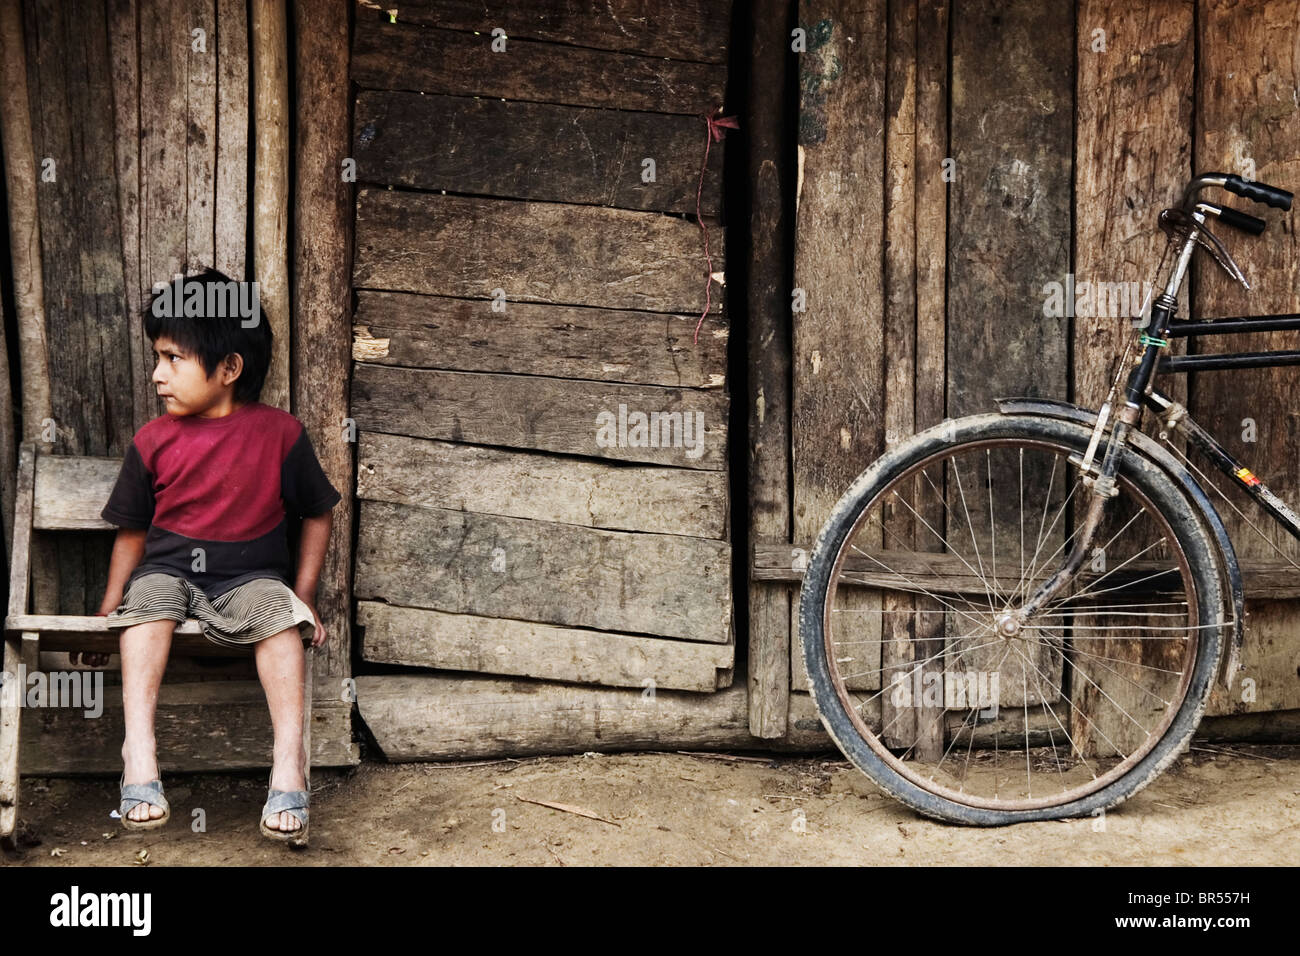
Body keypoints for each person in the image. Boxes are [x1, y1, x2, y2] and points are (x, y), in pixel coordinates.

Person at [92, 267, 341, 843]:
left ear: (230, 368)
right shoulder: (152, 441)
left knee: (279, 622)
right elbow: (132, 532)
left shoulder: (280, 433)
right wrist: (110, 606)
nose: (157, 375)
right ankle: (141, 757)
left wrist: (301, 596)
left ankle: (288, 768)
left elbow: (317, 513)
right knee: (146, 601)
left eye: (172, 359)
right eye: (157, 357)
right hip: (167, 573)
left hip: (250, 579)